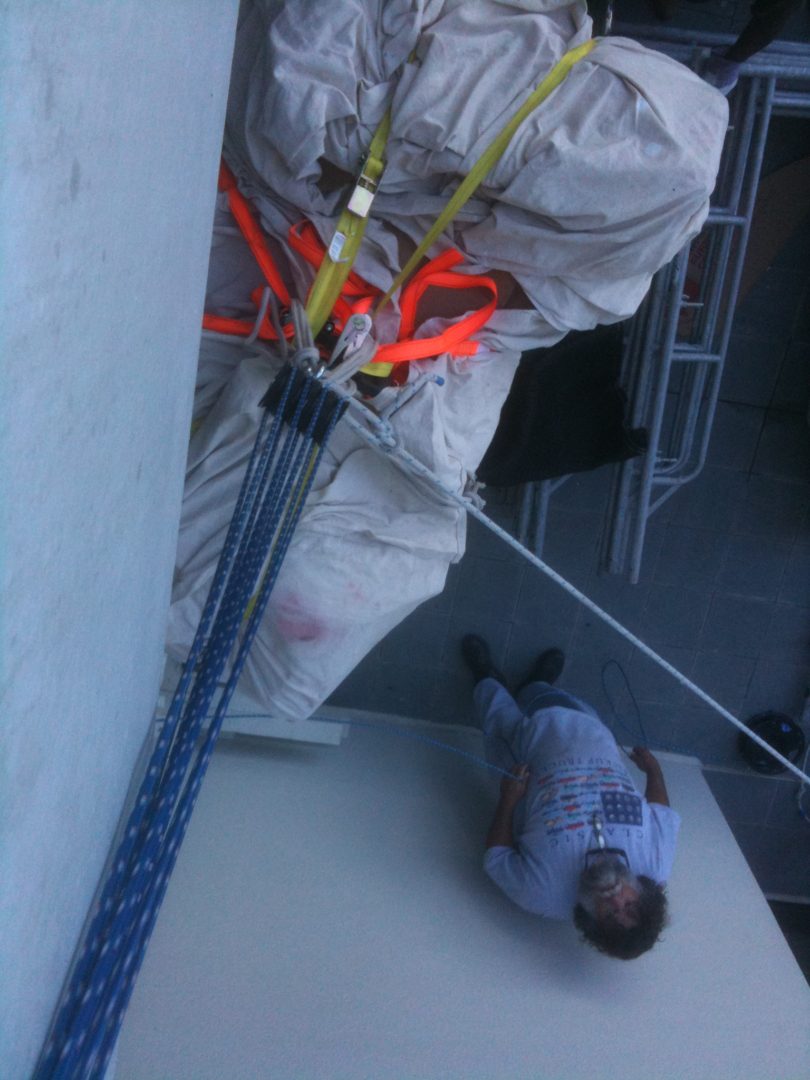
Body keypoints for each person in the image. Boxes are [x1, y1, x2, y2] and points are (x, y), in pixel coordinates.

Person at [461, 634, 681, 959]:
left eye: (610, 913)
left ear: (592, 920)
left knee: (498, 713)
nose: (615, 898)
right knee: (552, 699)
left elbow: (496, 859)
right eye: (630, 905)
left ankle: (485, 677)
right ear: (645, 894)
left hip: (523, 756)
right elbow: (660, 810)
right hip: (590, 734)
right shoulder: (658, 864)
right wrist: (654, 771)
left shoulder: (540, 895)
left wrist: (508, 799)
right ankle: (535, 683)